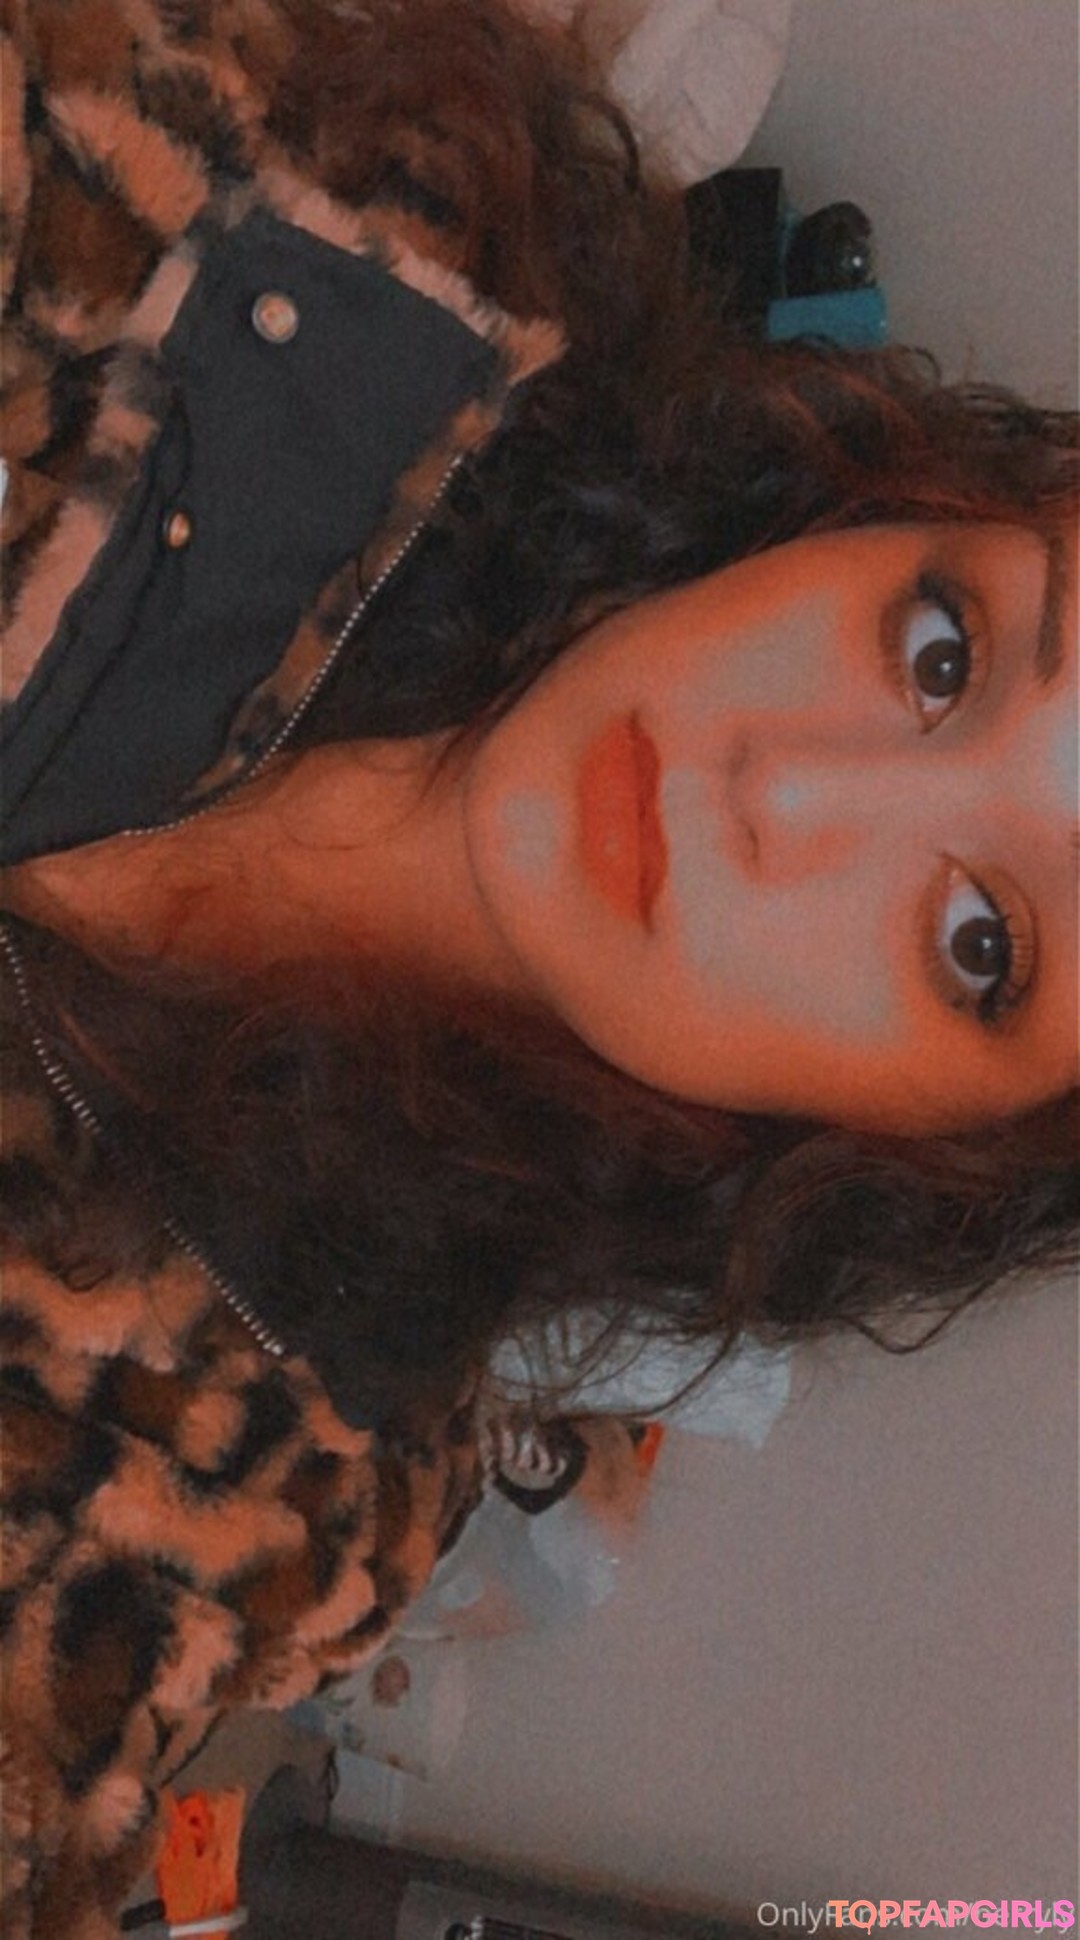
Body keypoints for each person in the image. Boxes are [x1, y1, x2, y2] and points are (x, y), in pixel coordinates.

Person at [1, 0, 1076, 1931]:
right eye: (942, 652)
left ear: (926, 1151)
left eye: (977, 942)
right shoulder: (318, 221)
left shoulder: (291, 1484)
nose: (782, 792)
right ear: (883, 513)